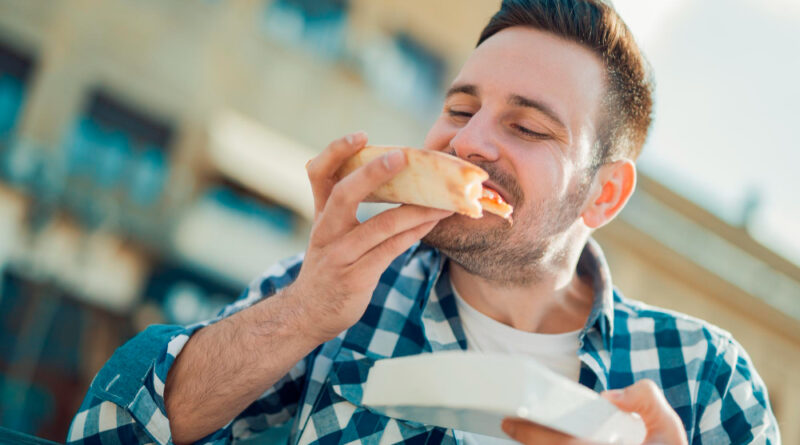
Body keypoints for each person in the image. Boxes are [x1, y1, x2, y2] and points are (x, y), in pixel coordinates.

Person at [67, 0, 779, 444]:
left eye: (528, 126)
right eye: (461, 109)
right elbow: (109, 432)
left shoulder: (707, 378)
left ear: (604, 196)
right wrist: (300, 315)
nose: (469, 142)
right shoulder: (335, 295)